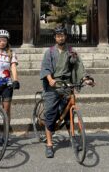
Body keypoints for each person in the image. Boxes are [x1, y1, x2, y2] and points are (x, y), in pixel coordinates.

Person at [40, 25, 94, 158]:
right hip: (53, 84)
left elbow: (78, 66)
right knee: (50, 115)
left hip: (67, 84)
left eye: (62, 35)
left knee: (70, 115)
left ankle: (73, 138)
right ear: (55, 37)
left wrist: (85, 78)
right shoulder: (50, 52)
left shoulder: (71, 51)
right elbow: (46, 67)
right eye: (58, 36)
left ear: (65, 36)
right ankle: (49, 144)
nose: (60, 37)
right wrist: (50, 79)